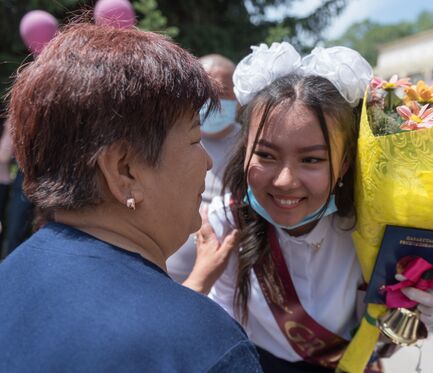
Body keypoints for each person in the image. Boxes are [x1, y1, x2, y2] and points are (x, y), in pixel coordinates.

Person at [0, 23, 261, 372]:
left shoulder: (10, 275)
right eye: (194, 139)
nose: (208, 160)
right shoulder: (202, 344)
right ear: (124, 171)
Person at [186, 42, 433, 372]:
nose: (285, 181)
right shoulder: (226, 224)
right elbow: (223, 330)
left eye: (311, 160)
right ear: (244, 150)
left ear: (344, 163)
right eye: (266, 155)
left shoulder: (374, 223)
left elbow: (407, 313)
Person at [167, 54, 240, 283]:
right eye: (205, 92)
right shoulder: (171, 140)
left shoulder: (251, 145)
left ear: (237, 98)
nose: (213, 101)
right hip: (170, 271)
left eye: (222, 94)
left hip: (229, 274)